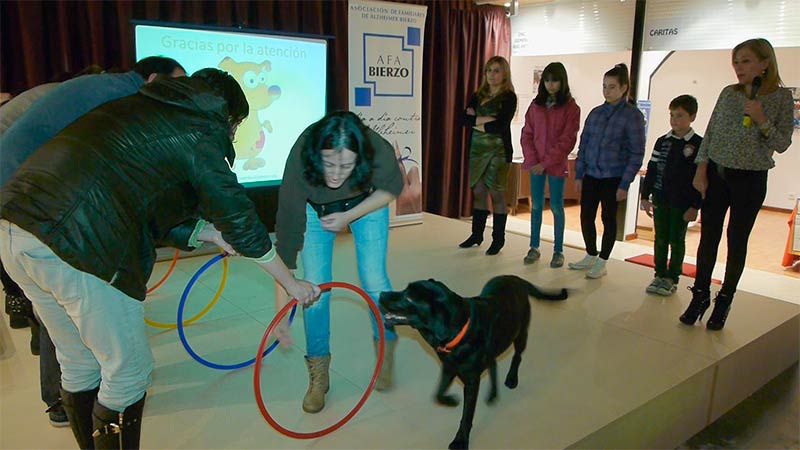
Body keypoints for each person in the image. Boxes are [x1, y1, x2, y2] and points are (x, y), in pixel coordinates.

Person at [0, 68, 319, 449]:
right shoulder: (199, 129)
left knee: (78, 361)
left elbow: (144, 199)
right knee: (128, 373)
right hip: (79, 244)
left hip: (14, 228)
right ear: (228, 116)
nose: (232, 137)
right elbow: (241, 218)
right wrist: (292, 284)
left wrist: (209, 233)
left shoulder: (139, 108)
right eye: (236, 128)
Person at [0, 58, 182, 430]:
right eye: (174, 88)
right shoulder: (121, 99)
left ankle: (63, 398)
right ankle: (59, 400)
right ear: (152, 79)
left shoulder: (103, 89)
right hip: (39, 212)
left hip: (16, 214)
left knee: (68, 336)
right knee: (124, 366)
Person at [273, 111, 405, 414]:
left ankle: (385, 346)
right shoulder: (300, 160)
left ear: (359, 158)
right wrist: (280, 317)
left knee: (374, 279)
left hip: (366, 204)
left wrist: (347, 217)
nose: (334, 173)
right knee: (315, 289)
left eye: (345, 165)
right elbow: (286, 252)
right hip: (314, 210)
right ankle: (319, 373)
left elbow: (394, 187)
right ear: (315, 154)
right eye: (328, 163)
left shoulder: (374, 147)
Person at [680, 38, 793, 330]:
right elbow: (711, 131)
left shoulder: (780, 99)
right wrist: (700, 169)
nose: (738, 67)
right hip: (718, 174)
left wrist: (761, 118)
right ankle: (700, 295)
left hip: (751, 179)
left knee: (736, 239)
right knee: (709, 237)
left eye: (745, 61)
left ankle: (725, 300)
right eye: (736, 61)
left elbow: (782, 143)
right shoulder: (728, 94)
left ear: (765, 63)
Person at [568, 63, 645, 278]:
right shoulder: (596, 113)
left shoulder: (633, 116)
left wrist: (625, 183)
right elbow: (584, 145)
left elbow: (637, 153)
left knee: (608, 219)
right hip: (591, 174)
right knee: (586, 216)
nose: (607, 91)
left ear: (623, 88)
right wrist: (578, 174)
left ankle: (602, 261)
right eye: (604, 86)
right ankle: (591, 254)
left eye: (611, 87)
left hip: (614, 177)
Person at [640, 95, 703, 296]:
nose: (674, 120)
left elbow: (700, 179)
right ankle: (659, 274)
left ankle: (672, 277)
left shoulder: (698, 144)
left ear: (692, 116)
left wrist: (695, 205)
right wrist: (645, 196)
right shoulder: (662, 141)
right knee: (660, 239)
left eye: (680, 115)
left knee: (677, 240)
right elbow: (652, 169)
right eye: (671, 115)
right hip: (660, 199)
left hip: (682, 203)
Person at [520, 62, 580, 268]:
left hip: (555, 165)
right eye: (547, 80)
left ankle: (558, 250)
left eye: (554, 80)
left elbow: (567, 140)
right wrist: (534, 161)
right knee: (536, 205)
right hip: (536, 164)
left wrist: (545, 163)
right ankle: (534, 246)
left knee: (556, 206)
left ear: (562, 82)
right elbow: (527, 134)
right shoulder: (535, 106)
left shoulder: (571, 108)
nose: (550, 84)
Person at [458, 56, 518, 255]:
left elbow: (499, 125)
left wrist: (474, 119)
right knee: (479, 192)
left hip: (498, 151)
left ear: (504, 74)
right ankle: (477, 235)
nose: (492, 75)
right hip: (476, 150)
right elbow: (463, 120)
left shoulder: (509, 97)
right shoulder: (478, 94)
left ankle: (498, 240)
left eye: (497, 71)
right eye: (489, 70)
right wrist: (484, 120)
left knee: (496, 194)